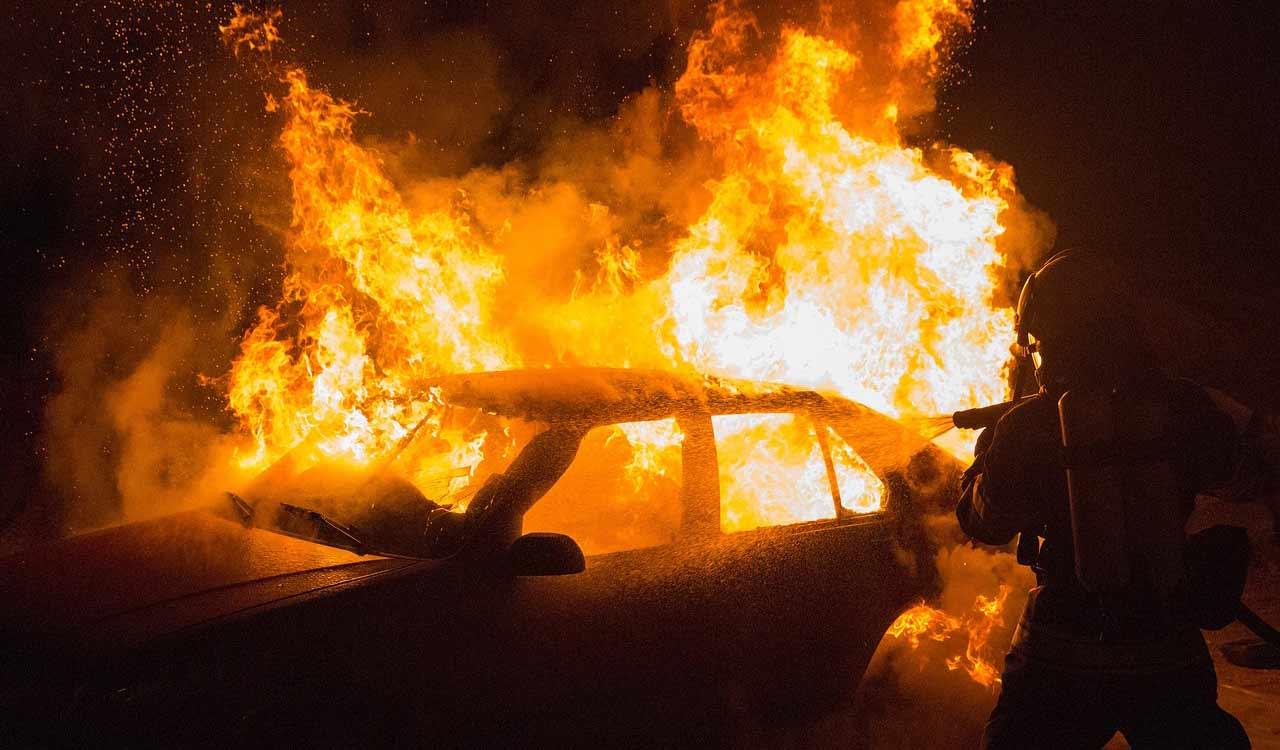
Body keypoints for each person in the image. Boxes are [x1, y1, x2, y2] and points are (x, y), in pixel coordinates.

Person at [957, 249, 1251, 749]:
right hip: (1166, 646)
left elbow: (985, 522)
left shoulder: (1027, 426)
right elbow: (1237, 476)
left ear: (1047, 338)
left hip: (1059, 657)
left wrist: (983, 458)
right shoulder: (1182, 405)